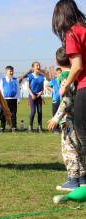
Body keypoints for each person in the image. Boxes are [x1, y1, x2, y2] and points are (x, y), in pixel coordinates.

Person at [48, 46, 86, 191]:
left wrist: (56, 118)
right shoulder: (79, 74)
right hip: (80, 117)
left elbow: (67, 100)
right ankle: (82, 178)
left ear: (57, 61)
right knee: (80, 148)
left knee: (69, 149)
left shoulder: (64, 77)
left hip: (69, 119)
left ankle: (73, 180)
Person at [53, 0, 86, 159]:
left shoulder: (72, 32)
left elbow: (77, 66)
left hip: (85, 84)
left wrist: (65, 86)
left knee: (82, 130)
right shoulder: (84, 28)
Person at [0, 66, 21, 132]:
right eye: (10, 71)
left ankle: (13, 127)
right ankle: (2, 127)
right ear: (6, 72)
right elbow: (1, 90)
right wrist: (1, 100)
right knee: (4, 114)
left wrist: (18, 98)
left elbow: (18, 90)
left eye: (12, 71)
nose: (11, 72)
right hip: (5, 99)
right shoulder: (2, 80)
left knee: (13, 114)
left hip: (13, 99)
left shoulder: (15, 80)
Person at [26, 61, 45, 132]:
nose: (38, 67)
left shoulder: (42, 77)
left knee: (40, 111)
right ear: (33, 67)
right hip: (32, 96)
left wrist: (41, 93)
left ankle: (40, 127)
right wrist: (32, 95)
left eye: (39, 65)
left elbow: (42, 87)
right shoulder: (30, 76)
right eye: (37, 65)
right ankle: (30, 126)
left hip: (39, 96)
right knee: (33, 111)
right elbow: (28, 87)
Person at [46, 67, 62, 133]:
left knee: (62, 114)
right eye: (58, 74)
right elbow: (47, 85)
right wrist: (52, 90)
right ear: (56, 74)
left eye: (60, 73)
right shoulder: (54, 81)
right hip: (55, 100)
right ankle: (56, 129)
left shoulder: (63, 80)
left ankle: (62, 127)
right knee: (55, 114)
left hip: (62, 101)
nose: (59, 75)